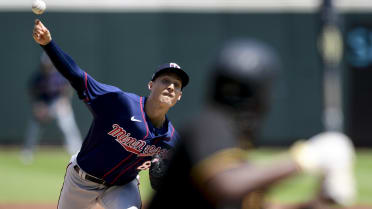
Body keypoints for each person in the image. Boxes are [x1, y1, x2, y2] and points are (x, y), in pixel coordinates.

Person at [147, 38, 356, 209]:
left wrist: (313, 204)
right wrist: (308, 156)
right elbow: (226, 184)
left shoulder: (230, 148)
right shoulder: (208, 125)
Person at [32, 18, 189, 209]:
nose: (170, 87)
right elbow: (77, 76)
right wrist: (48, 44)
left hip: (122, 187)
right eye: (165, 80)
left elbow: (189, 175)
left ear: (179, 96)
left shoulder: (171, 139)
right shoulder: (121, 103)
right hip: (81, 181)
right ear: (150, 85)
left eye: (176, 85)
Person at [21, 52, 82, 163]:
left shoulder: (59, 76)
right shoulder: (37, 78)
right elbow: (33, 94)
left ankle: (77, 151)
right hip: (43, 105)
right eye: (45, 64)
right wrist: (38, 106)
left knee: (67, 122)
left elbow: (67, 91)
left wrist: (64, 103)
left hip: (57, 104)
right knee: (34, 126)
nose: (47, 66)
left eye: (49, 64)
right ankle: (28, 150)